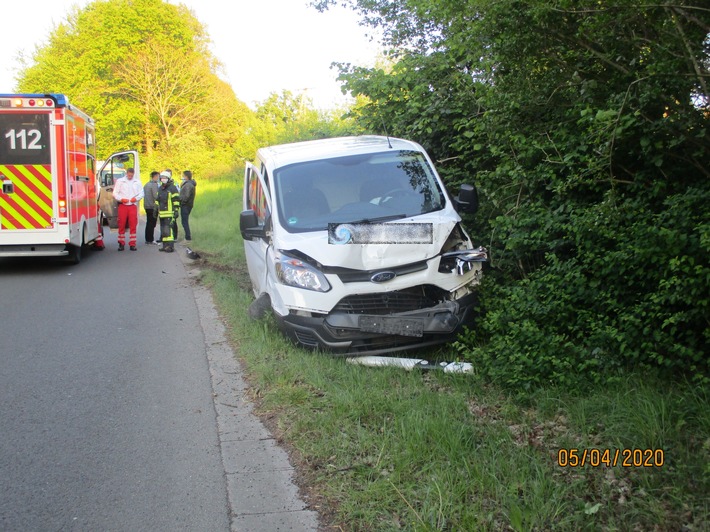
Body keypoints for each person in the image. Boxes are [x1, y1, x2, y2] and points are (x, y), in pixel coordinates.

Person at [112, 167, 144, 251]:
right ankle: (121, 243)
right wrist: (121, 199)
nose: (130, 177)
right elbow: (115, 193)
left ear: (133, 174)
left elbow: (141, 193)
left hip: (132, 205)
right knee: (121, 224)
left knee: (133, 224)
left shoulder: (137, 182)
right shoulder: (120, 181)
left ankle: (132, 244)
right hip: (123, 205)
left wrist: (136, 199)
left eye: (131, 175)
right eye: (129, 175)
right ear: (127, 173)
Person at [157, 171, 180, 252]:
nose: (163, 179)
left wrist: (176, 210)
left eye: (165, 178)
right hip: (162, 214)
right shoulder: (160, 188)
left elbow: (176, 200)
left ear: (168, 178)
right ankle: (165, 246)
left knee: (169, 230)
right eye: (162, 178)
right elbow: (157, 199)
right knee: (163, 230)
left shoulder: (172, 188)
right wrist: (155, 208)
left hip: (170, 213)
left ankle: (170, 246)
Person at [179, 170, 196, 241]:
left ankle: (188, 237)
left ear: (186, 177)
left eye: (183, 176)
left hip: (186, 205)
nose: (182, 177)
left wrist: (181, 202)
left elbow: (186, 196)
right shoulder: (188, 184)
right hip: (187, 204)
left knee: (184, 221)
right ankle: (187, 236)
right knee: (184, 221)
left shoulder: (188, 185)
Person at [143, 171, 160, 245]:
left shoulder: (146, 184)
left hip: (147, 206)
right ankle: (150, 239)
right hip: (152, 207)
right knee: (152, 223)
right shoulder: (154, 185)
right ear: (155, 176)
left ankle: (148, 239)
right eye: (158, 176)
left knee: (148, 223)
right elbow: (156, 196)